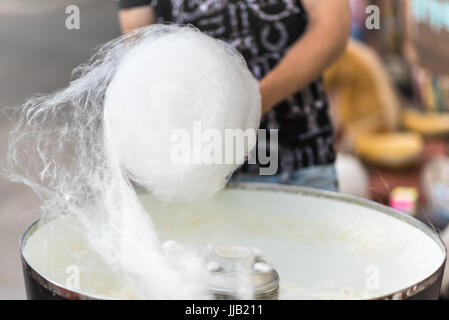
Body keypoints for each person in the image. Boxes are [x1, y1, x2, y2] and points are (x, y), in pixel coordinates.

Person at [116, 0, 351, 192]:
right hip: (200, 177)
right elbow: (142, 52)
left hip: (299, 165)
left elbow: (332, 29)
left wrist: (249, 106)